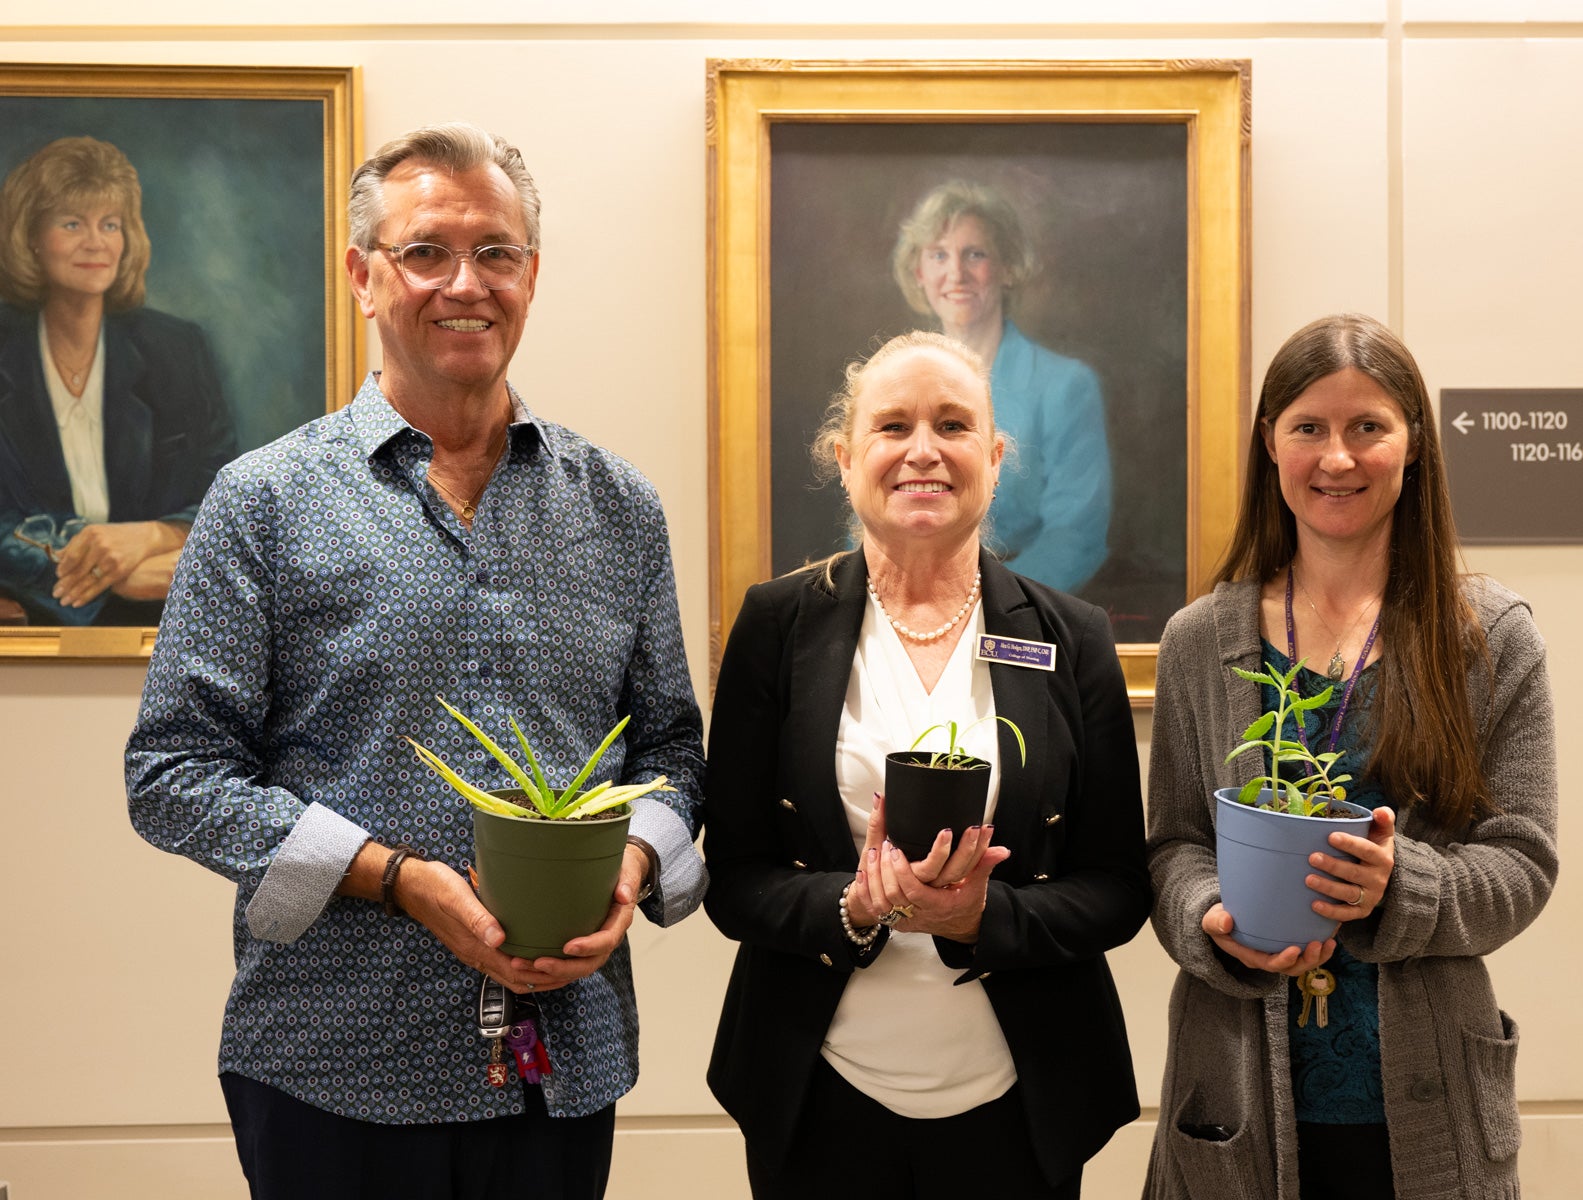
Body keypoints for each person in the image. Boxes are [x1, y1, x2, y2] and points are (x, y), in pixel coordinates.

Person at [124, 123, 706, 1200]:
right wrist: (401, 881)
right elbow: (172, 775)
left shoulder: (619, 507)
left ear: (532, 274)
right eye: (427, 252)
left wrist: (628, 866)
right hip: (332, 1064)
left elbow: (672, 747)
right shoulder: (264, 503)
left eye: (497, 253)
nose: (466, 285)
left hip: (562, 1062)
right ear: (361, 275)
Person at [705, 329, 1150, 1198]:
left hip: (1021, 1101)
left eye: (952, 426)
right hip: (817, 1096)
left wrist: (983, 919)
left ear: (994, 454)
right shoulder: (775, 626)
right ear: (845, 457)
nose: (923, 451)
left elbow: (1117, 886)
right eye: (892, 426)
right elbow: (735, 879)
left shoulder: (1072, 637)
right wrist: (851, 904)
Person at [1141, 314, 1558, 1200]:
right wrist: (1212, 917)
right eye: (1309, 428)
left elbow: (1523, 858)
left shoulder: (1490, 635)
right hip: (1236, 1089)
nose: (1338, 457)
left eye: (1368, 426)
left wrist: (1396, 888)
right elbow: (1174, 845)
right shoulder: (1197, 640)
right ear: (1270, 445)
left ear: (1413, 446)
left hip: (1429, 1089)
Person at [0, 135, 236, 625]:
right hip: (36, 635)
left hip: (168, 633)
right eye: (72, 224)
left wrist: (150, 537)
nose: (96, 243)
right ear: (31, 237)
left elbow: (230, 493)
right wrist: (118, 572)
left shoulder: (177, 349)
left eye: (110, 224)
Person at [889, 180, 1110, 592]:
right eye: (939, 255)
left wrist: (987, 606)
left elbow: (1076, 536)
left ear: (1008, 268)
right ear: (919, 272)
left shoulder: (1066, 387)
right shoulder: (886, 386)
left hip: (1022, 608)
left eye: (975, 254)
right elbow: (867, 517)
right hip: (904, 604)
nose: (956, 273)